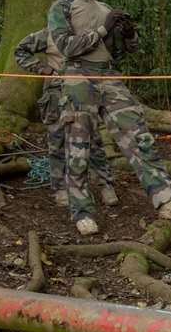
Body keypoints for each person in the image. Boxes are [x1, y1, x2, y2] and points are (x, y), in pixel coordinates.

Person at [47, 0, 171, 236]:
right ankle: (82, 212)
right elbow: (67, 47)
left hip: (109, 76)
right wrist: (104, 27)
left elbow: (122, 51)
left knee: (139, 137)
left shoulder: (104, 7)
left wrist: (128, 34)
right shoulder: (62, 6)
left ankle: (167, 200)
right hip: (78, 77)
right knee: (79, 146)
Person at [14, 29, 118, 208]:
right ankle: (61, 188)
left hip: (84, 91)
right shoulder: (48, 34)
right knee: (57, 139)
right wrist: (42, 69)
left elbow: (111, 52)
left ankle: (105, 185)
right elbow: (20, 50)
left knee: (93, 138)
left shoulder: (88, 32)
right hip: (56, 91)